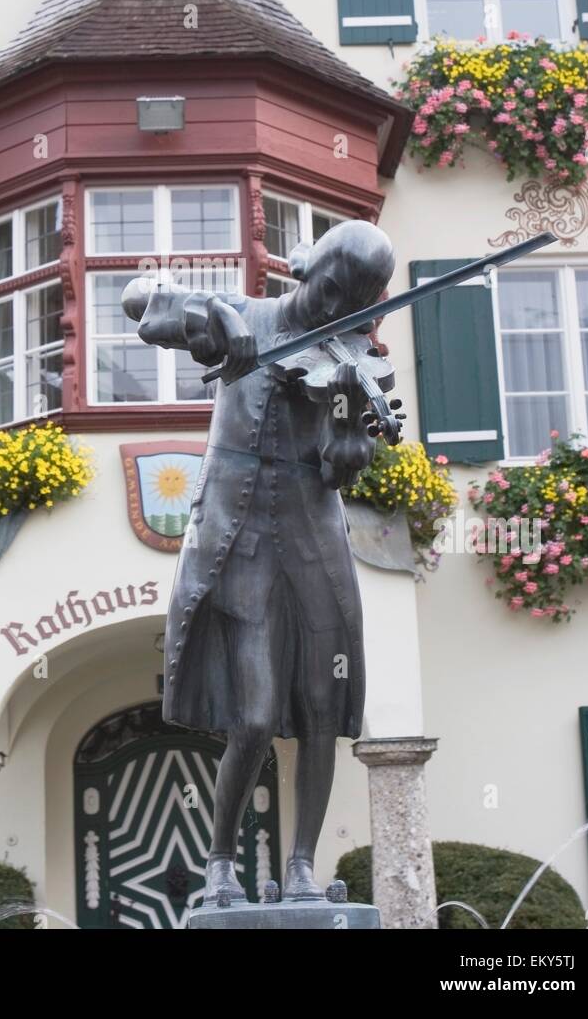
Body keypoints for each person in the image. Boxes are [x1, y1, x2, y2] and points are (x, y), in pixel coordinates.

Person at [121, 219, 396, 904]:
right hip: (238, 532)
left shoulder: (350, 359)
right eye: (330, 292)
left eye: (353, 304)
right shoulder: (241, 314)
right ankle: (219, 864)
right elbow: (136, 296)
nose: (335, 314)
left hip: (312, 534)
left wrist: (351, 435)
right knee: (253, 713)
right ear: (311, 271)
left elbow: (341, 468)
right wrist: (210, 310)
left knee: (321, 706)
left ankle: (302, 864)